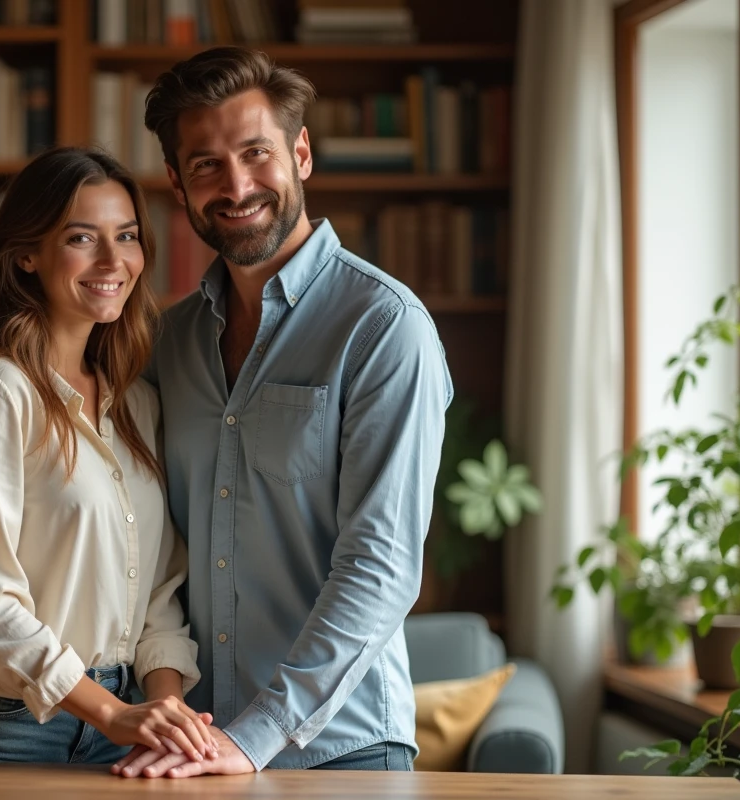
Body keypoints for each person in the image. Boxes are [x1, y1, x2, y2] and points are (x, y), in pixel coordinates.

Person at [115, 47, 454, 778]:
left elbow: (382, 566)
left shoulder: (384, 327)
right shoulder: (165, 345)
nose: (236, 186)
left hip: (343, 750)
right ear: (176, 182)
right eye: (205, 164)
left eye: (256, 152)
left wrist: (258, 734)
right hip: (192, 747)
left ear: (300, 153)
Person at [0, 146, 214, 765]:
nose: (111, 260)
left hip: (115, 726)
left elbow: (157, 595)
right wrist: (112, 710)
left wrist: (166, 713)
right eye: (81, 238)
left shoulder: (137, 405)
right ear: (26, 255)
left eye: (126, 236)